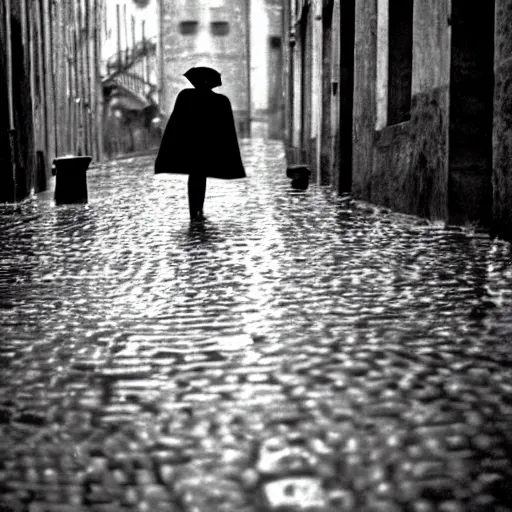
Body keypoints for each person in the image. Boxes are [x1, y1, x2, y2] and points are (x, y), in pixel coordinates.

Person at [154, 67, 246, 220]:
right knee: (201, 177)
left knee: (194, 177)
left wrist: (173, 144)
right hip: (208, 146)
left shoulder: (185, 96)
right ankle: (198, 209)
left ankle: (194, 210)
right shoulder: (221, 101)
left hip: (190, 145)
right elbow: (226, 129)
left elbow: (176, 122)